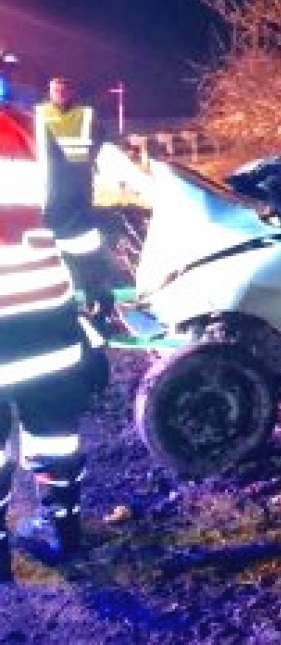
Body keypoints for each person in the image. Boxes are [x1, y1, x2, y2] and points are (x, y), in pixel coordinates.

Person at [0, 99, 108, 581]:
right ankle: (63, 530)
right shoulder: (29, 130)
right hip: (43, 315)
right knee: (56, 430)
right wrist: (97, 287)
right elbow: (73, 222)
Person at [34, 76, 117, 327]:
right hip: (49, 200)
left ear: (72, 91)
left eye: (64, 89)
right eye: (55, 89)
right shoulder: (38, 115)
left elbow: (101, 146)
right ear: (49, 91)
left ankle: (100, 307)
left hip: (78, 201)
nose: (59, 93)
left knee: (88, 258)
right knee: (54, 265)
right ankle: (63, 311)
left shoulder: (86, 116)